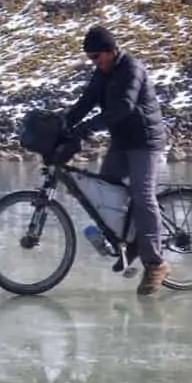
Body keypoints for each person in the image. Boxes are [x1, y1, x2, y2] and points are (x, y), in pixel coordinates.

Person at [60, 26, 171, 296]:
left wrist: (86, 129)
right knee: (107, 190)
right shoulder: (101, 73)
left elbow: (124, 106)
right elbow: (85, 102)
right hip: (122, 142)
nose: (93, 62)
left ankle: (155, 263)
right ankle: (132, 240)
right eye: (90, 58)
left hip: (145, 142)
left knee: (142, 197)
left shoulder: (132, 68)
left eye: (96, 56)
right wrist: (63, 123)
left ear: (111, 51)